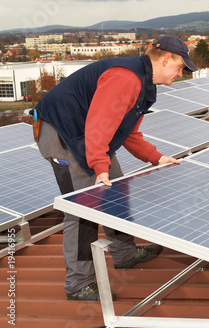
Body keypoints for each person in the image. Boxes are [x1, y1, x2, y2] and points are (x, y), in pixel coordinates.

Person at [32, 35, 198, 300]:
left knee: (116, 192)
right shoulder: (126, 78)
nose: (181, 73)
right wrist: (100, 167)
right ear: (166, 59)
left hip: (88, 137)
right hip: (63, 135)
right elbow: (98, 125)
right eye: (180, 67)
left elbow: (128, 133)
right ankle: (78, 283)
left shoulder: (144, 83)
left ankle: (124, 253)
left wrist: (157, 158)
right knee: (83, 208)